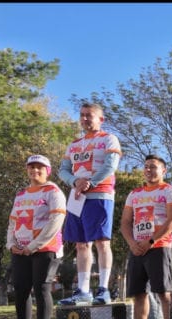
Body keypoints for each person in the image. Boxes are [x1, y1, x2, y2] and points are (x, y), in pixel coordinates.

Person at [57, 102, 122, 306]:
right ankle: (83, 290)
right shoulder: (74, 144)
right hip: (77, 197)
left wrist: (90, 182)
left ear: (100, 119)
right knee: (81, 244)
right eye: (82, 115)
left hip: (100, 195)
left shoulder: (109, 139)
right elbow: (63, 170)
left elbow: (110, 165)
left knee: (102, 242)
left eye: (90, 115)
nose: (85, 119)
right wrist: (75, 182)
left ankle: (103, 289)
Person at [120, 154, 172, 319]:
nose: (148, 170)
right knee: (138, 293)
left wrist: (150, 241)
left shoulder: (170, 191)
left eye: (153, 167)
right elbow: (124, 223)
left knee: (163, 291)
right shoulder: (134, 194)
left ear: (163, 170)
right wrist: (132, 243)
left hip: (159, 246)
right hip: (137, 248)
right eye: (146, 167)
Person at [8, 154, 67, 319]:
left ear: (47, 171)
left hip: (46, 249)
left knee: (41, 288)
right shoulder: (21, 194)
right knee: (21, 289)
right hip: (21, 250)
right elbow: (12, 221)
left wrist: (34, 246)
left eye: (39, 167)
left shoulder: (53, 191)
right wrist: (11, 244)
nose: (35, 170)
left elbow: (56, 221)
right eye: (31, 167)